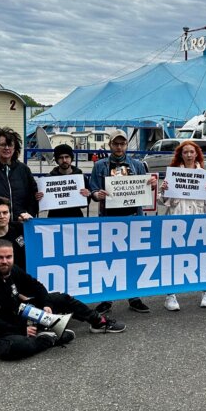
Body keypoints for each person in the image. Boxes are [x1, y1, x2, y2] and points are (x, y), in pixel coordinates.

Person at [0, 239, 125, 361]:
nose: (5, 261)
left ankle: (98, 321)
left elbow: (37, 286)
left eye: (8, 257)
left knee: (60, 298)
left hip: (15, 315)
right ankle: (48, 339)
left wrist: (47, 304)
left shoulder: (12, 270)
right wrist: (20, 329)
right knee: (16, 347)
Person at [88, 129, 155, 314]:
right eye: (115, 144)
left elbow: (146, 191)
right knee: (108, 260)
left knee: (132, 259)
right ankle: (106, 299)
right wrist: (96, 194)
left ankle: (134, 297)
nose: (119, 147)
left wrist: (152, 186)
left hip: (133, 219)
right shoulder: (100, 166)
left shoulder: (137, 165)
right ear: (110, 145)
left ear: (126, 145)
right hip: (109, 219)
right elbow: (93, 189)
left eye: (122, 144)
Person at [157, 140, 206, 311]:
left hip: (197, 220)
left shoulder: (203, 174)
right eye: (185, 152)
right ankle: (171, 295)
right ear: (180, 155)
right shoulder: (174, 174)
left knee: (202, 257)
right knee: (173, 258)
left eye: (192, 152)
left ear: (197, 154)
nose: (189, 155)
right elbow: (163, 201)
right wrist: (164, 190)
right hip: (176, 218)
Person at [46, 144, 90, 218]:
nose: (64, 160)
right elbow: (45, 203)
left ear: (71, 158)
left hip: (75, 217)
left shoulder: (81, 178)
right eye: (60, 158)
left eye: (67, 157)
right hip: (54, 218)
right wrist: (40, 197)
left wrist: (87, 195)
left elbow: (84, 205)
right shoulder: (49, 178)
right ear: (56, 160)